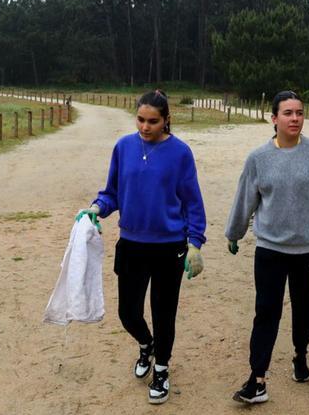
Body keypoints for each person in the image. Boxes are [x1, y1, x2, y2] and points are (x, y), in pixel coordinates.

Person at [75, 90, 206, 404]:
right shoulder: (123, 147)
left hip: (168, 247)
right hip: (132, 244)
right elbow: (112, 193)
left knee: (164, 313)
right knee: (127, 313)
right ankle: (145, 345)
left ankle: (161, 369)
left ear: (166, 120)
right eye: (141, 120)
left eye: (153, 121)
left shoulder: (181, 153)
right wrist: (97, 207)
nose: (145, 127)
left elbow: (192, 201)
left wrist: (195, 242)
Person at [225, 90, 309, 404]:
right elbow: (245, 200)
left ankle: (301, 354)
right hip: (270, 248)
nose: (295, 118)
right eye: (288, 113)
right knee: (266, 312)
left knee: (304, 309)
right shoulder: (258, 159)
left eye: (299, 112)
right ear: (274, 118)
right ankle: (257, 379)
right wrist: (234, 233)